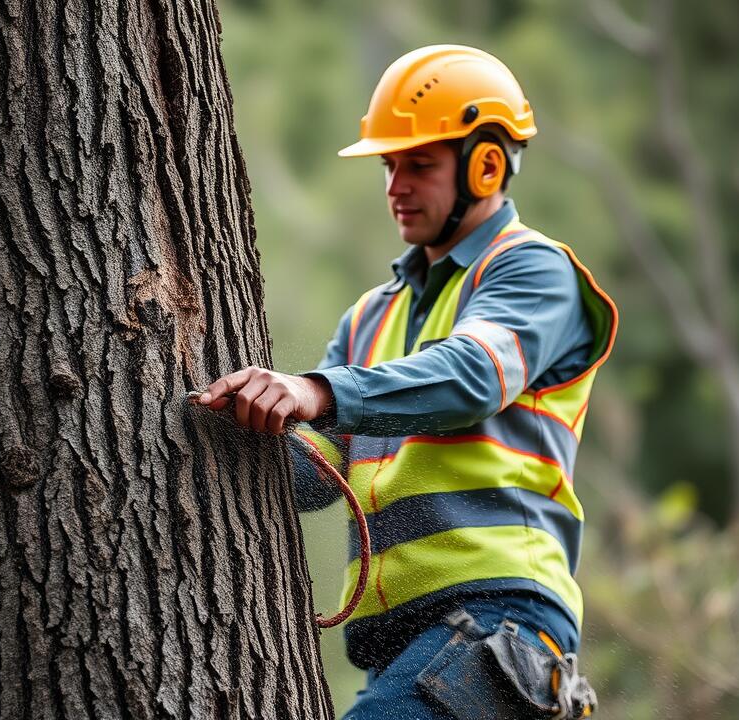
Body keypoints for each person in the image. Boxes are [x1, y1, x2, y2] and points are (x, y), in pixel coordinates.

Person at [193, 45, 615, 718]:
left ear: (486, 164)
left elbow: (473, 375)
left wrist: (317, 390)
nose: (396, 185)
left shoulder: (532, 271)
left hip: (497, 617)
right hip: (402, 649)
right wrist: (239, 420)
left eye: (419, 164)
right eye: (390, 165)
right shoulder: (371, 316)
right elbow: (314, 473)